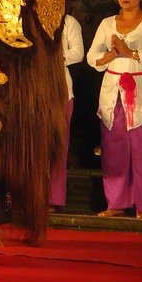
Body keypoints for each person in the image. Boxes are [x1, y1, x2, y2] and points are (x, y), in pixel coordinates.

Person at [87, 0, 142, 220]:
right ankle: (116, 203)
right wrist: (109, 56)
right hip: (113, 91)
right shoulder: (106, 23)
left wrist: (130, 53)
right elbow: (92, 56)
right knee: (113, 148)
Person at [50, 13, 84, 210]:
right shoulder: (27, 16)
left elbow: (78, 53)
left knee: (58, 145)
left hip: (61, 89)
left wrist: (53, 58)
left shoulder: (68, 21)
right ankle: (30, 197)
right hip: (32, 90)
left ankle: (53, 198)